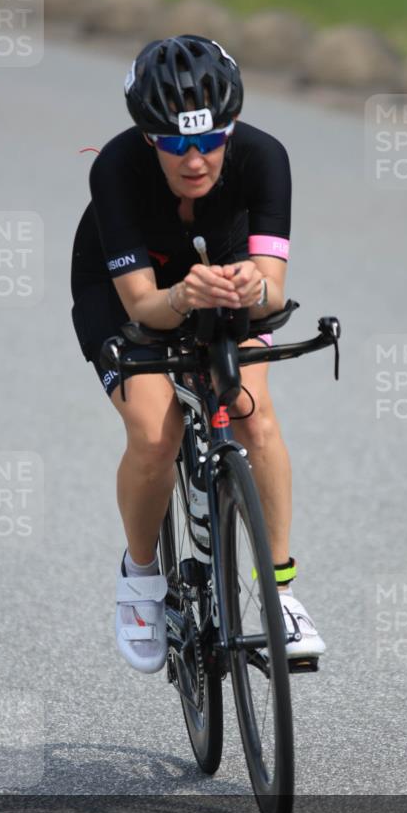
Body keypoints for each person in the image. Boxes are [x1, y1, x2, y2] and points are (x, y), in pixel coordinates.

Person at [71, 34, 325, 674]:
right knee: (156, 434)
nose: (195, 158)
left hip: (223, 278)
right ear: (149, 137)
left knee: (252, 413)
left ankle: (283, 596)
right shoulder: (118, 170)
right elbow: (142, 308)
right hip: (131, 290)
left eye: (211, 139)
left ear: (231, 127)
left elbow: (272, 291)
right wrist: (183, 294)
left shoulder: (265, 158)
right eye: (176, 143)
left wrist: (251, 288)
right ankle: (141, 577)